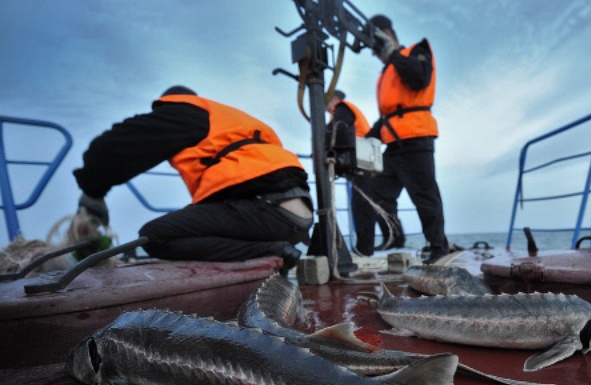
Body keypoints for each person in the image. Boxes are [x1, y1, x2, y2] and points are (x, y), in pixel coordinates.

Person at [73, 86, 313, 275]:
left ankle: (272, 252)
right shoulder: (234, 124)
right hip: (297, 220)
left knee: (156, 236)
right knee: (190, 224)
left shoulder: (187, 112)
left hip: (266, 212)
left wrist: (93, 191)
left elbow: (110, 148)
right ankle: (279, 248)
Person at [364, 14, 449, 264]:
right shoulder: (389, 68)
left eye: (376, 47)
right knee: (377, 192)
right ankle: (395, 238)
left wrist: (393, 53)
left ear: (387, 34)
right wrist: (364, 140)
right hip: (393, 143)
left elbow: (420, 78)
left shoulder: (415, 52)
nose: (375, 54)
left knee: (424, 194)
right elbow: (387, 117)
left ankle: (438, 246)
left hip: (416, 139)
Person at [325, 90, 375, 256]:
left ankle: (364, 248)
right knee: (364, 204)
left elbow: (336, 129)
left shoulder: (341, 109)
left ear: (335, 98)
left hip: (361, 161)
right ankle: (367, 246)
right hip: (364, 160)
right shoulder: (342, 110)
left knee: (362, 205)